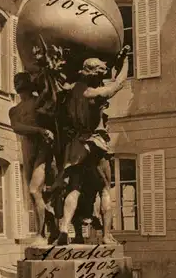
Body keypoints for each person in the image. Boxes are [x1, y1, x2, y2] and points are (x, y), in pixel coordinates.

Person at [55, 50, 129, 245]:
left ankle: (64, 227)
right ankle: (106, 235)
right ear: (95, 74)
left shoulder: (72, 90)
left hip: (77, 145)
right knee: (105, 190)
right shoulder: (94, 94)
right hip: (95, 143)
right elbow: (118, 84)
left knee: (74, 188)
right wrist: (126, 62)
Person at [9, 72, 56, 246]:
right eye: (15, 81)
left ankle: (40, 234)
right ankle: (51, 227)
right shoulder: (14, 110)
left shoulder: (38, 102)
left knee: (34, 190)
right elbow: (17, 127)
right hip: (28, 152)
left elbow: (51, 96)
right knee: (36, 194)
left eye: (19, 81)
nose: (17, 84)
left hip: (42, 150)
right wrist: (38, 130)